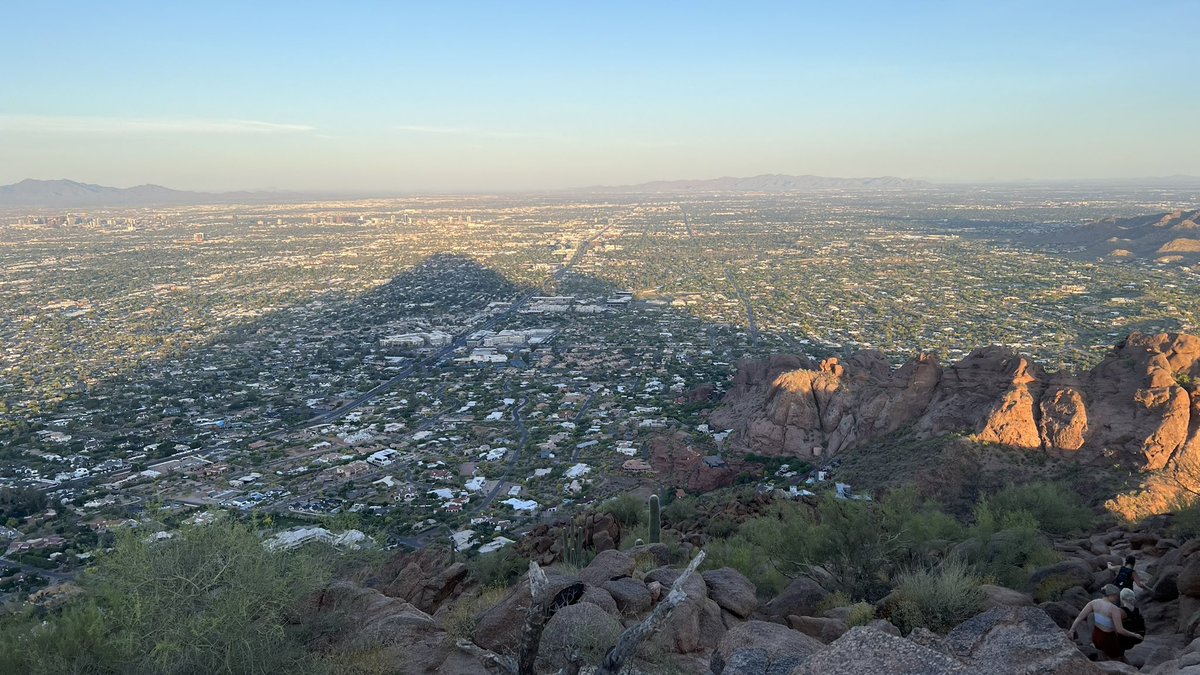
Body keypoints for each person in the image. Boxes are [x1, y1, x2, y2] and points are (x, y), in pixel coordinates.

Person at [1069, 584, 1143, 661]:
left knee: (1092, 616)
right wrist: (1135, 635)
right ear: (1112, 595)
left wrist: (1072, 630)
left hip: (1096, 638)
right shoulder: (1114, 609)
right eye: (1116, 596)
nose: (1117, 598)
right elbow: (1120, 630)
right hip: (1108, 640)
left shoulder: (1093, 603)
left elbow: (1080, 617)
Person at [1119, 587, 1146, 652]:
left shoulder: (1121, 611)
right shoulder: (1138, 610)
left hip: (1127, 639)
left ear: (1122, 598)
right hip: (1140, 636)